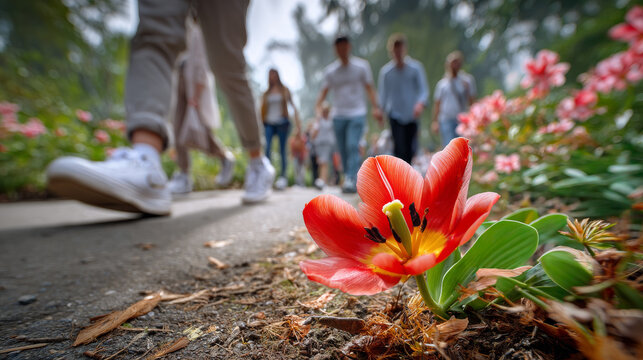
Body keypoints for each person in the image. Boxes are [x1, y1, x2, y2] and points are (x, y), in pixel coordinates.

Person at [46, 0, 275, 216]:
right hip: (179, 82)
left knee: (227, 62)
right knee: (155, 34)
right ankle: (146, 165)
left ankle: (257, 161)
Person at [168, 17, 235, 194]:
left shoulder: (200, 31)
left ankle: (224, 157)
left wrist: (196, 95)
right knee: (177, 128)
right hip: (181, 82)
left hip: (193, 87)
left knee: (203, 132)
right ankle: (183, 174)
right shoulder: (182, 30)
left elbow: (202, 66)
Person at [315, 35, 382, 193]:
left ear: (349, 47)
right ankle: (348, 174)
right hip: (338, 115)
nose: (342, 50)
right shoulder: (331, 71)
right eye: (339, 47)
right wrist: (318, 110)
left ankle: (351, 178)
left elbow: (370, 88)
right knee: (343, 148)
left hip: (357, 113)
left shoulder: (361, 67)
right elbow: (323, 92)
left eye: (345, 46)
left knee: (353, 144)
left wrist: (376, 107)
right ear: (335, 49)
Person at [377, 33, 429, 164]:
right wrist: (380, 112)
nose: (398, 52)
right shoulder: (386, 72)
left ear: (404, 49)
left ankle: (408, 173)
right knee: (399, 148)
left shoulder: (416, 68)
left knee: (411, 148)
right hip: (395, 114)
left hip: (412, 114)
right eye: (395, 49)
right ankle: (402, 177)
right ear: (391, 51)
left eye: (400, 49)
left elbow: (423, 90)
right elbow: (383, 95)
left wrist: (420, 104)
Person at [260, 68, 301, 190]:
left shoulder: (284, 90)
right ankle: (267, 176)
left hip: (282, 122)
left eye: (274, 74)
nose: (272, 77)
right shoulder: (266, 92)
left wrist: (298, 126)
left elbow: (293, 107)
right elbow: (261, 109)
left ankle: (283, 177)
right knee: (267, 148)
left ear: (278, 75)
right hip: (268, 123)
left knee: (282, 149)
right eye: (270, 75)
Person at [432, 51, 477, 147]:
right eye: (452, 62)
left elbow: (472, 100)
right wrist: (435, 121)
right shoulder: (442, 84)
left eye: (457, 62)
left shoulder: (467, 80)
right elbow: (437, 104)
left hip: (462, 119)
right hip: (446, 120)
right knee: (450, 147)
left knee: (463, 147)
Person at [310, 102, 336, 190]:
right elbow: (315, 131)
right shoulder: (319, 120)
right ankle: (323, 179)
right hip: (319, 143)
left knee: (324, 161)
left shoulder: (331, 120)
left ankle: (322, 180)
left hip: (327, 143)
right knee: (321, 162)